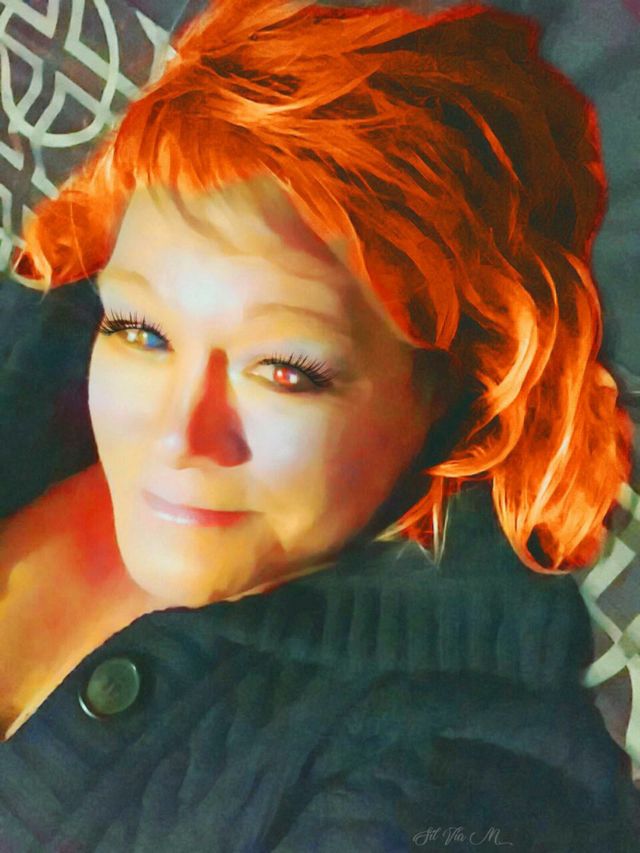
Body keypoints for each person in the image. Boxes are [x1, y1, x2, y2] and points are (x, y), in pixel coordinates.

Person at [0, 0, 639, 849]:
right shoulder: (33, 343)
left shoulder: (468, 762)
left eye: (285, 371)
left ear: (456, 385)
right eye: (141, 331)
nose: (176, 435)